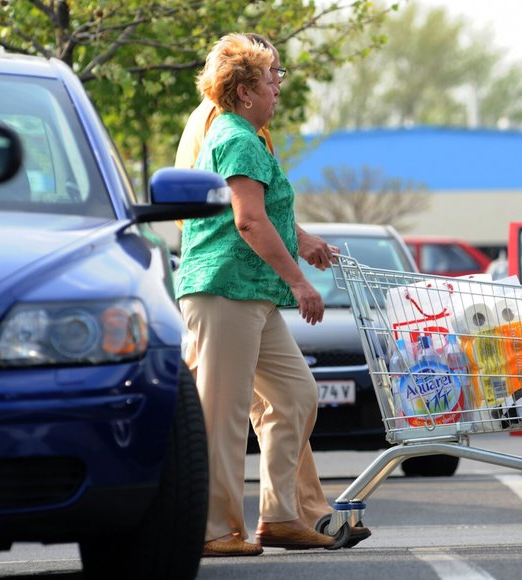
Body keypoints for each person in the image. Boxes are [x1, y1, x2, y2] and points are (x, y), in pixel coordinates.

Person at [176, 33, 352, 557]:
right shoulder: (233, 136)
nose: (279, 84)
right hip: (222, 289)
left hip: (252, 293)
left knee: (295, 395)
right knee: (222, 415)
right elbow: (248, 219)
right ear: (245, 89)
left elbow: (266, 213)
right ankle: (211, 528)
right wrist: (300, 281)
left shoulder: (252, 136)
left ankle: (279, 517)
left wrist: (305, 242)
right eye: (271, 77)